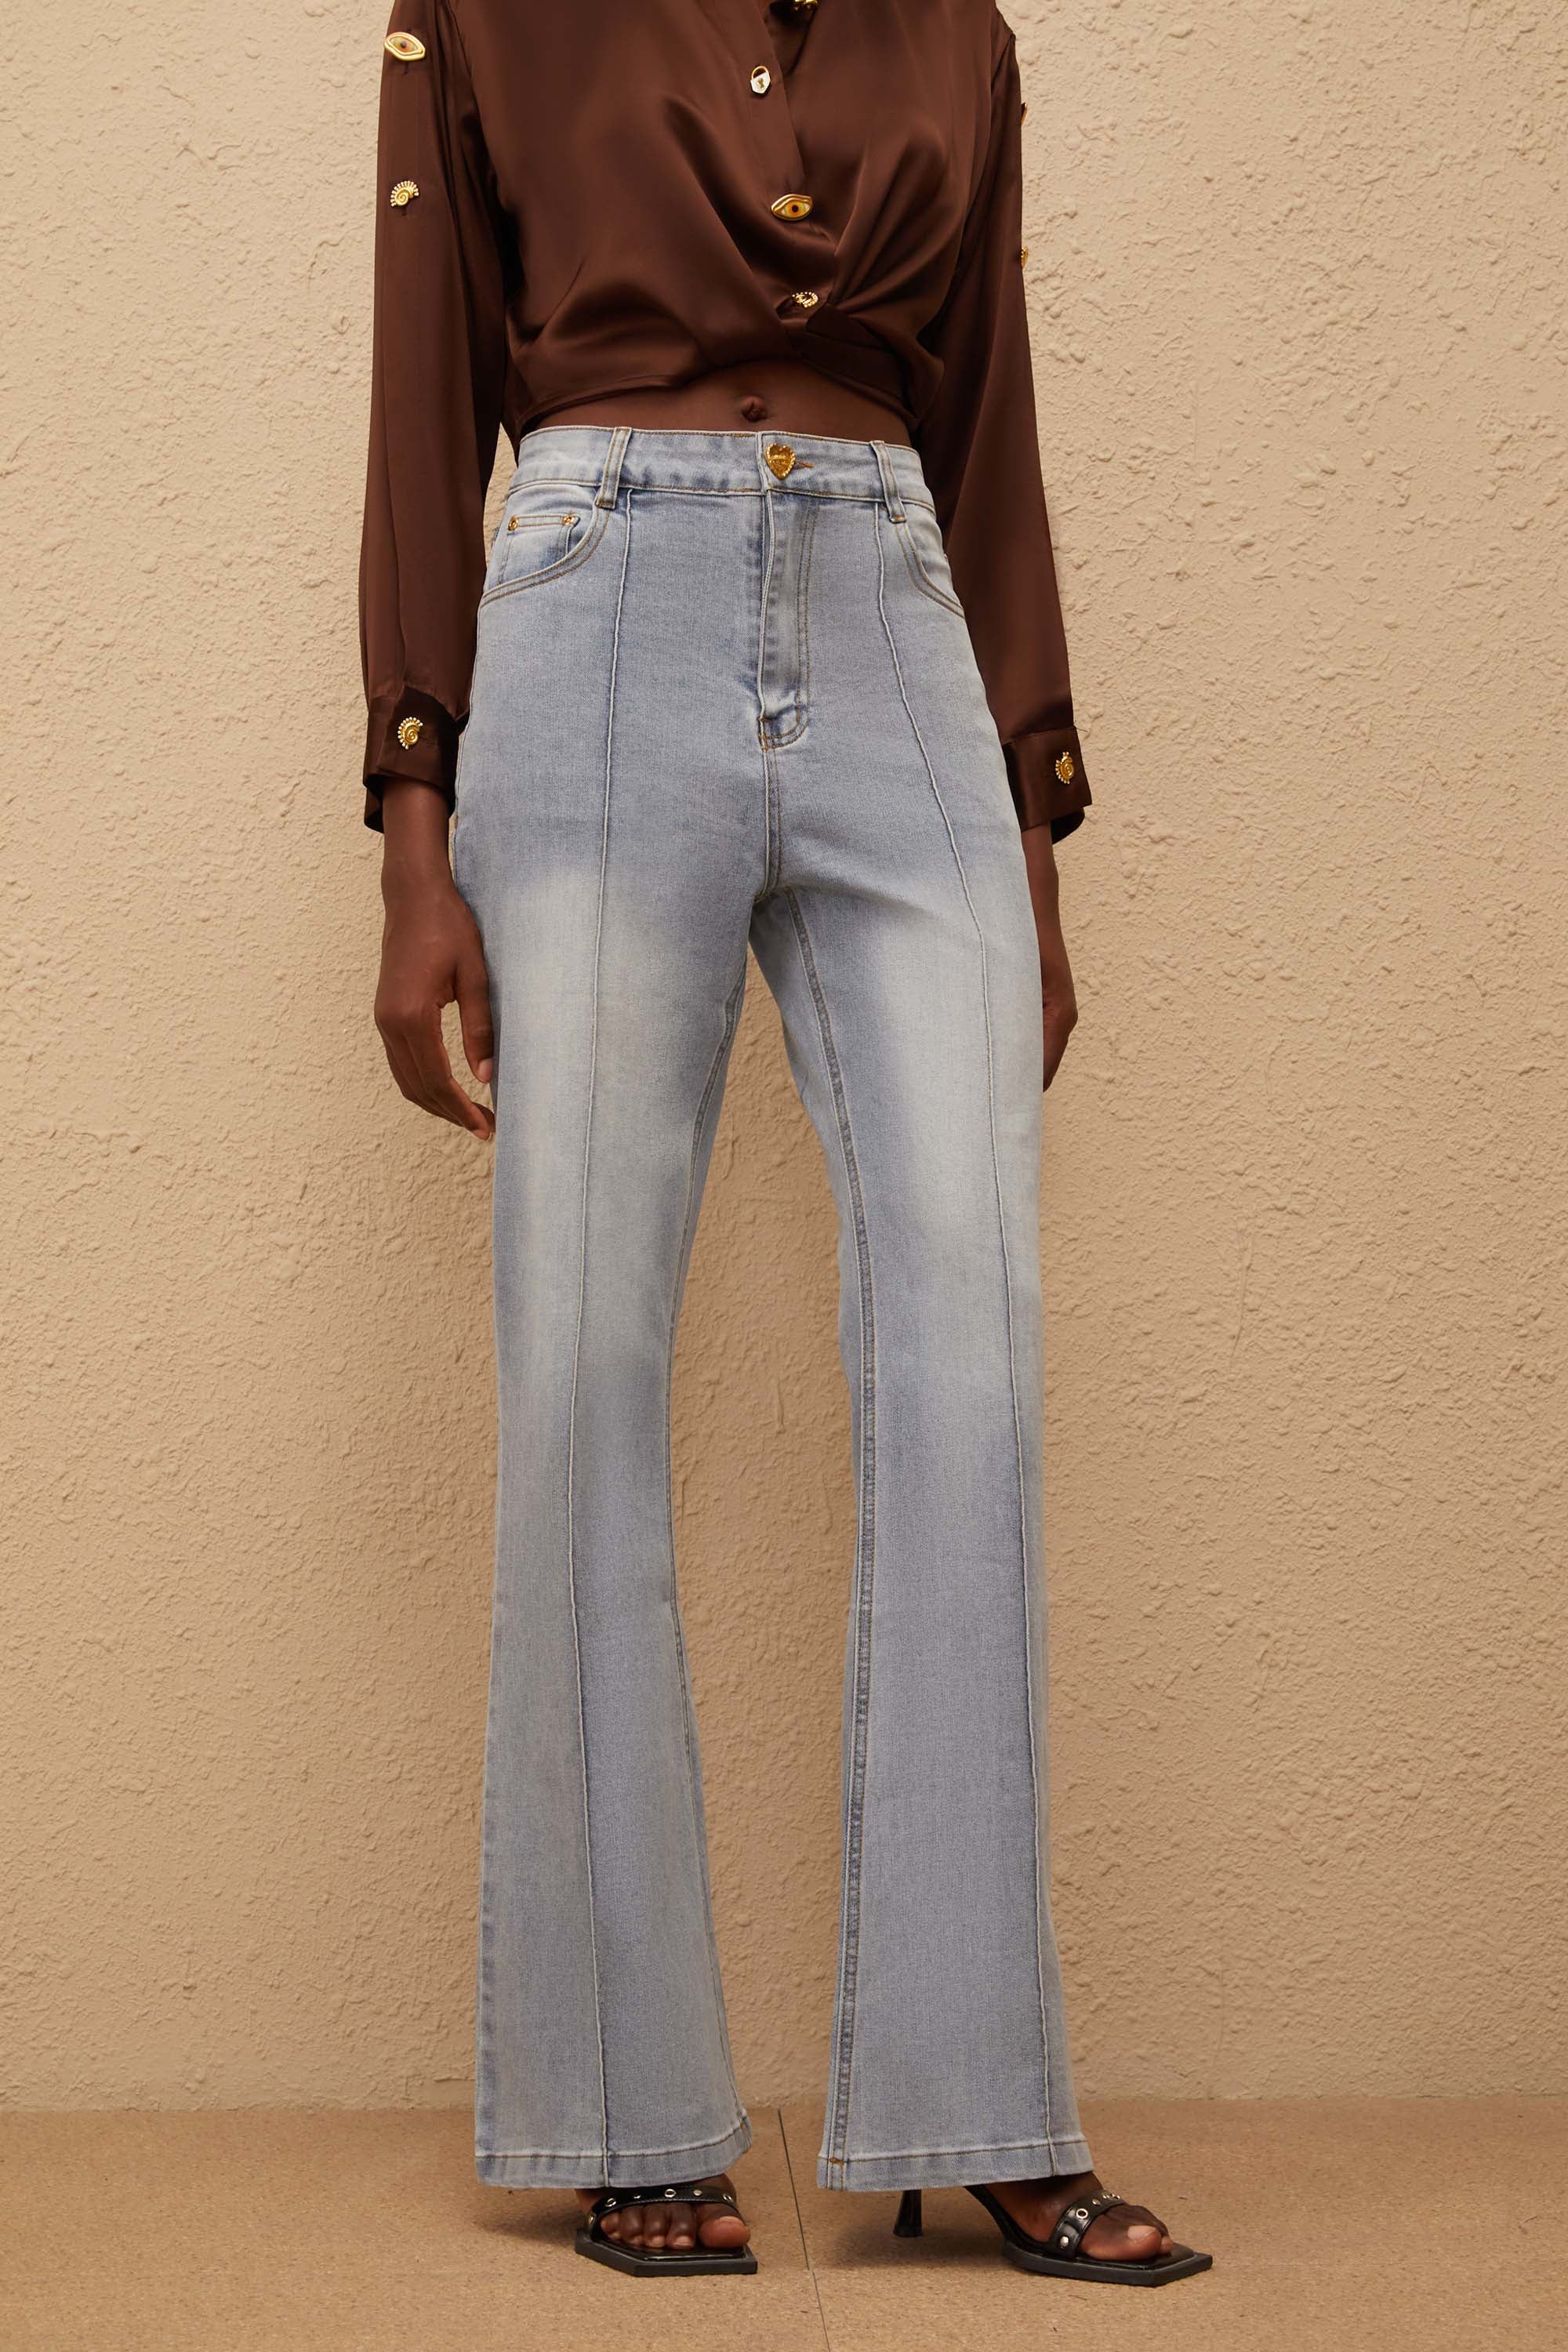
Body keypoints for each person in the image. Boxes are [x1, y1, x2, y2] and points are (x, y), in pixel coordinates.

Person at [358, 0, 1211, 2290]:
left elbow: (991, 418)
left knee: (972, 1354)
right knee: (581, 1360)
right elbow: (423, 402)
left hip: (896, 626)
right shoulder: (481, 12)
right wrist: (413, 831)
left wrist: (1030, 831)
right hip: (592, 617)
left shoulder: (959, 34)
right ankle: (620, 2097)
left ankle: (976, 2091)